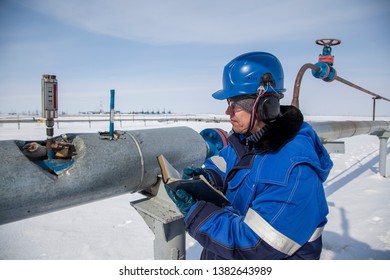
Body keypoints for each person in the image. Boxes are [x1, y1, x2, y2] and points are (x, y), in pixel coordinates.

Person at [165, 51, 333, 260]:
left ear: (263, 106)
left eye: (234, 104)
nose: (228, 112)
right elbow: (225, 164)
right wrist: (207, 178)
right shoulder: (247, 140)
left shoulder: (293, 171)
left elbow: (253, 246)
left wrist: (196, 212)